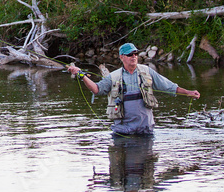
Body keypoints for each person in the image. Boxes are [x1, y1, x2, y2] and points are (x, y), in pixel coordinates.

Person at [67, 42, 200, 136]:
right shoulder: (113, 76)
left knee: (146, 172)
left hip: (145, 131)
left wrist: (188, 93)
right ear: (122, 57)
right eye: (130, 54)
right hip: (122, 131)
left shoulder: (147, 72)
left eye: (135, 53)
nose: (134, 56)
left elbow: (169, 87)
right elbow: (96, 89)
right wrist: (81, 75)